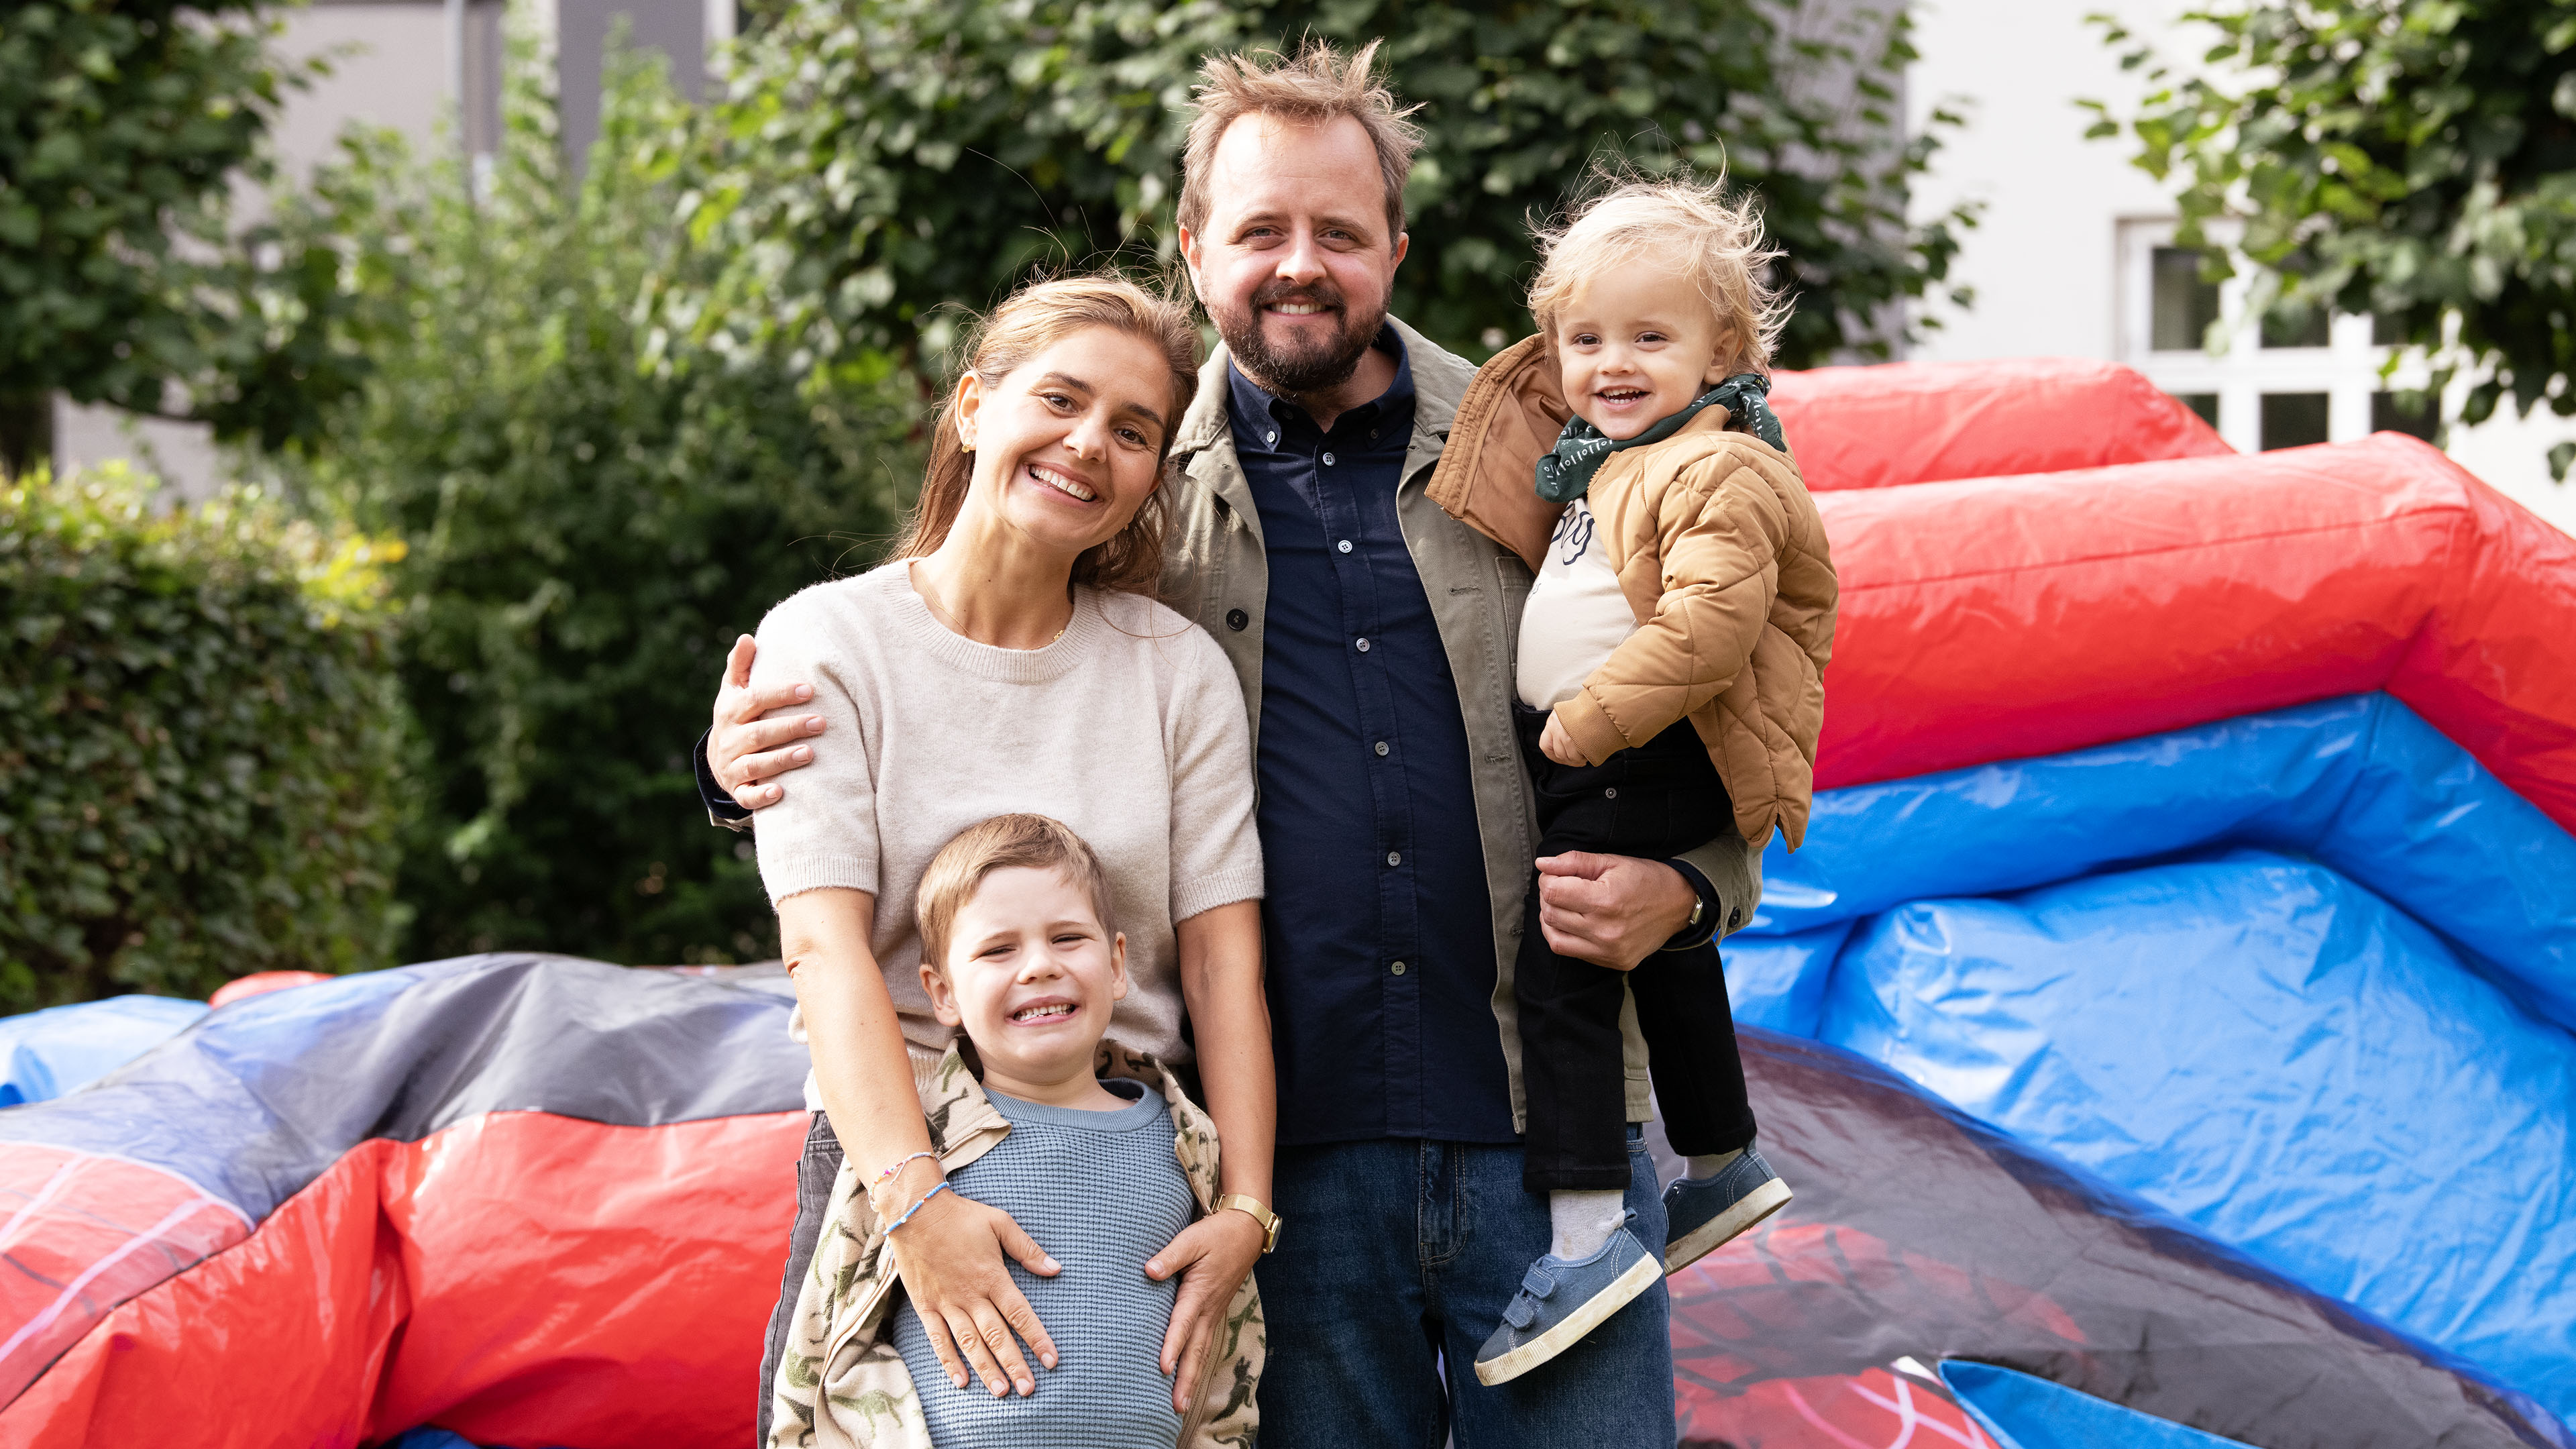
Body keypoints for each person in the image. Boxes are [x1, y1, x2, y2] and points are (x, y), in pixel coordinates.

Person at [706, 44, 1764, 1448]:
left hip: (1549, 1128)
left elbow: (1733, 677)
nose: (1299, 264)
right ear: (1198, 248)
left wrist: (1692, 884)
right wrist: (738, 773)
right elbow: (988, 721)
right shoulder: (1135, 509)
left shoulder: (1551, 442)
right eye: (1260, 230)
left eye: (1338, 231)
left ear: (1397, 243)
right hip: (1285, 1176)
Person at [735, 275, 1279, 1445]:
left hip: (1134, 1158)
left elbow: (1225, 966)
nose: (1090, 444)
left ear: (1151, 480)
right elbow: (823, 950)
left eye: (1134, 431)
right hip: (900, 1142)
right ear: (974, 406)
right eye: (1061, 399)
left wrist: (1244, 1207)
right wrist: (916, 1204)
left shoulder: (1176, 670)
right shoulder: (829, 640)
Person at [1419, 177, 1837, 1387]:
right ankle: (1721, 1160)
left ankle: (1589, 1233)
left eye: (1651, 338)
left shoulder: (1719, 468)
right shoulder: (1611, 464)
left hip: (1639, 744)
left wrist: (1583, 723)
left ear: (1725, 352)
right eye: (1586, 338)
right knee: (1663, 953)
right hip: (1625, 740)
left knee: (1565, 968)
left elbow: (1712, 623)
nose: (1612, 362)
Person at [769, 813, 1263, 1448]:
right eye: (999, 949)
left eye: (1067, 938)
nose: (1038, 967)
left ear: (1117, 964)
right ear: (941, 993)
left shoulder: (1189, 1144)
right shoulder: (914, 1152)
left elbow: (1230, 1352)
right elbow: (827, 1338)